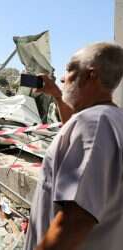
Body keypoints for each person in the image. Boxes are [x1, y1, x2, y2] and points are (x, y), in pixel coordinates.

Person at [24, 42, 123, 250]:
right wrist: (58, 96)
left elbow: (74, 223)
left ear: (91, 75)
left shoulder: (96, 125)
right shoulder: (108, 120)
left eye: (70, 69)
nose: (62, 77)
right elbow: (70, 133)